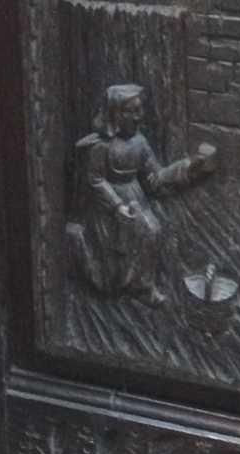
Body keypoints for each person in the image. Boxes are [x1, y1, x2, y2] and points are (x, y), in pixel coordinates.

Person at [68, 83, 215, 305]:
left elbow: (155, 176)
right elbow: (95, 180)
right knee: (122, 253)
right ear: (117, 114)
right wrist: (117, 206)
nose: (139, 117)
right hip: (108, 205)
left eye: (140, 110)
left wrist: (189, 166)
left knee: (152, 231)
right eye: (133, 111)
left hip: (135, 196)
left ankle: (143, 286)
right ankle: (115, 276)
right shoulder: (101, 146)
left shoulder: (140, 142)